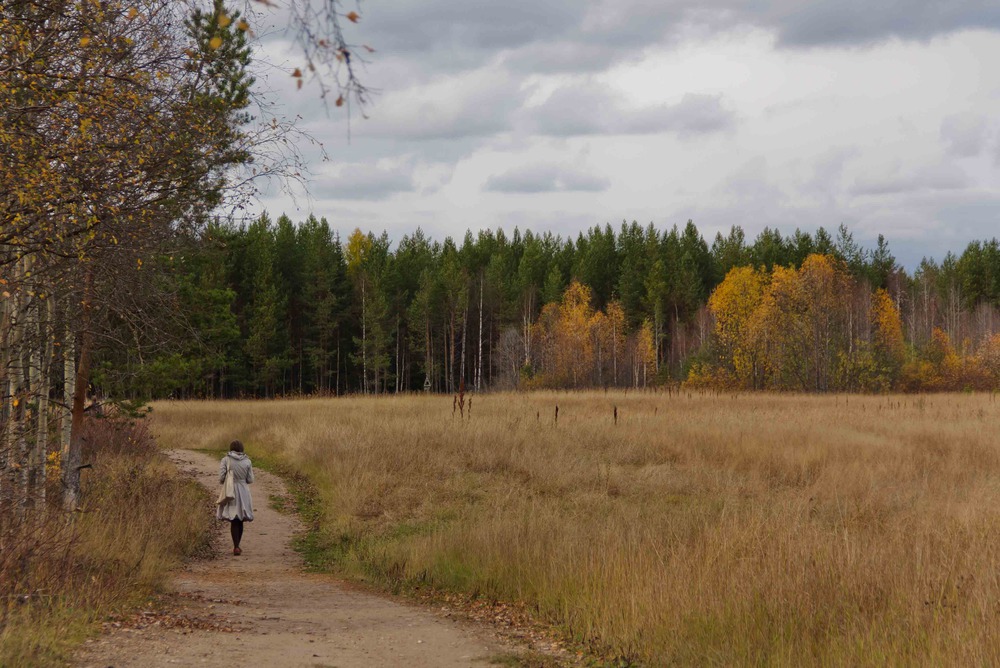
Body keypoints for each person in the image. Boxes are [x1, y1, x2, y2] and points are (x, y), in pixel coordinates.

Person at [217, 440, 254, 555]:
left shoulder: (226, 460)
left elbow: (221, 478)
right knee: (241, 518)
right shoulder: (247, 461)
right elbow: (250, 479)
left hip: (231, 491)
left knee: (234, 519)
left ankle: (236, 546)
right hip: (243, 491)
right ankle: (237, 546)